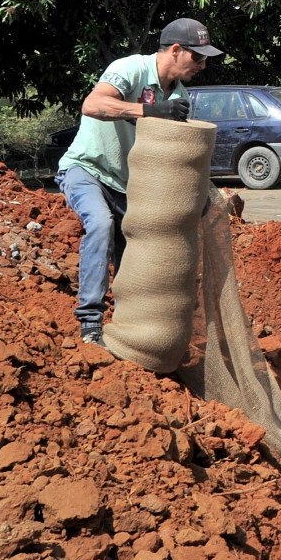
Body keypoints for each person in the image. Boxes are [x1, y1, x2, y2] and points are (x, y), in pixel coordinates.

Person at [56, 19, 224, 344]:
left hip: (126, 187)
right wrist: (148, 111)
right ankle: (90, 322)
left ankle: (127, 332)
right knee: (101, 225)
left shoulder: (178, 95)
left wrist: (198, 192)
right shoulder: (131, 68)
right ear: (176, 50)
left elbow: (177, 152)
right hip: (86, 169)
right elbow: (92, 104)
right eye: (198, 57)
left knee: (132, 257)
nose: (203, 65)